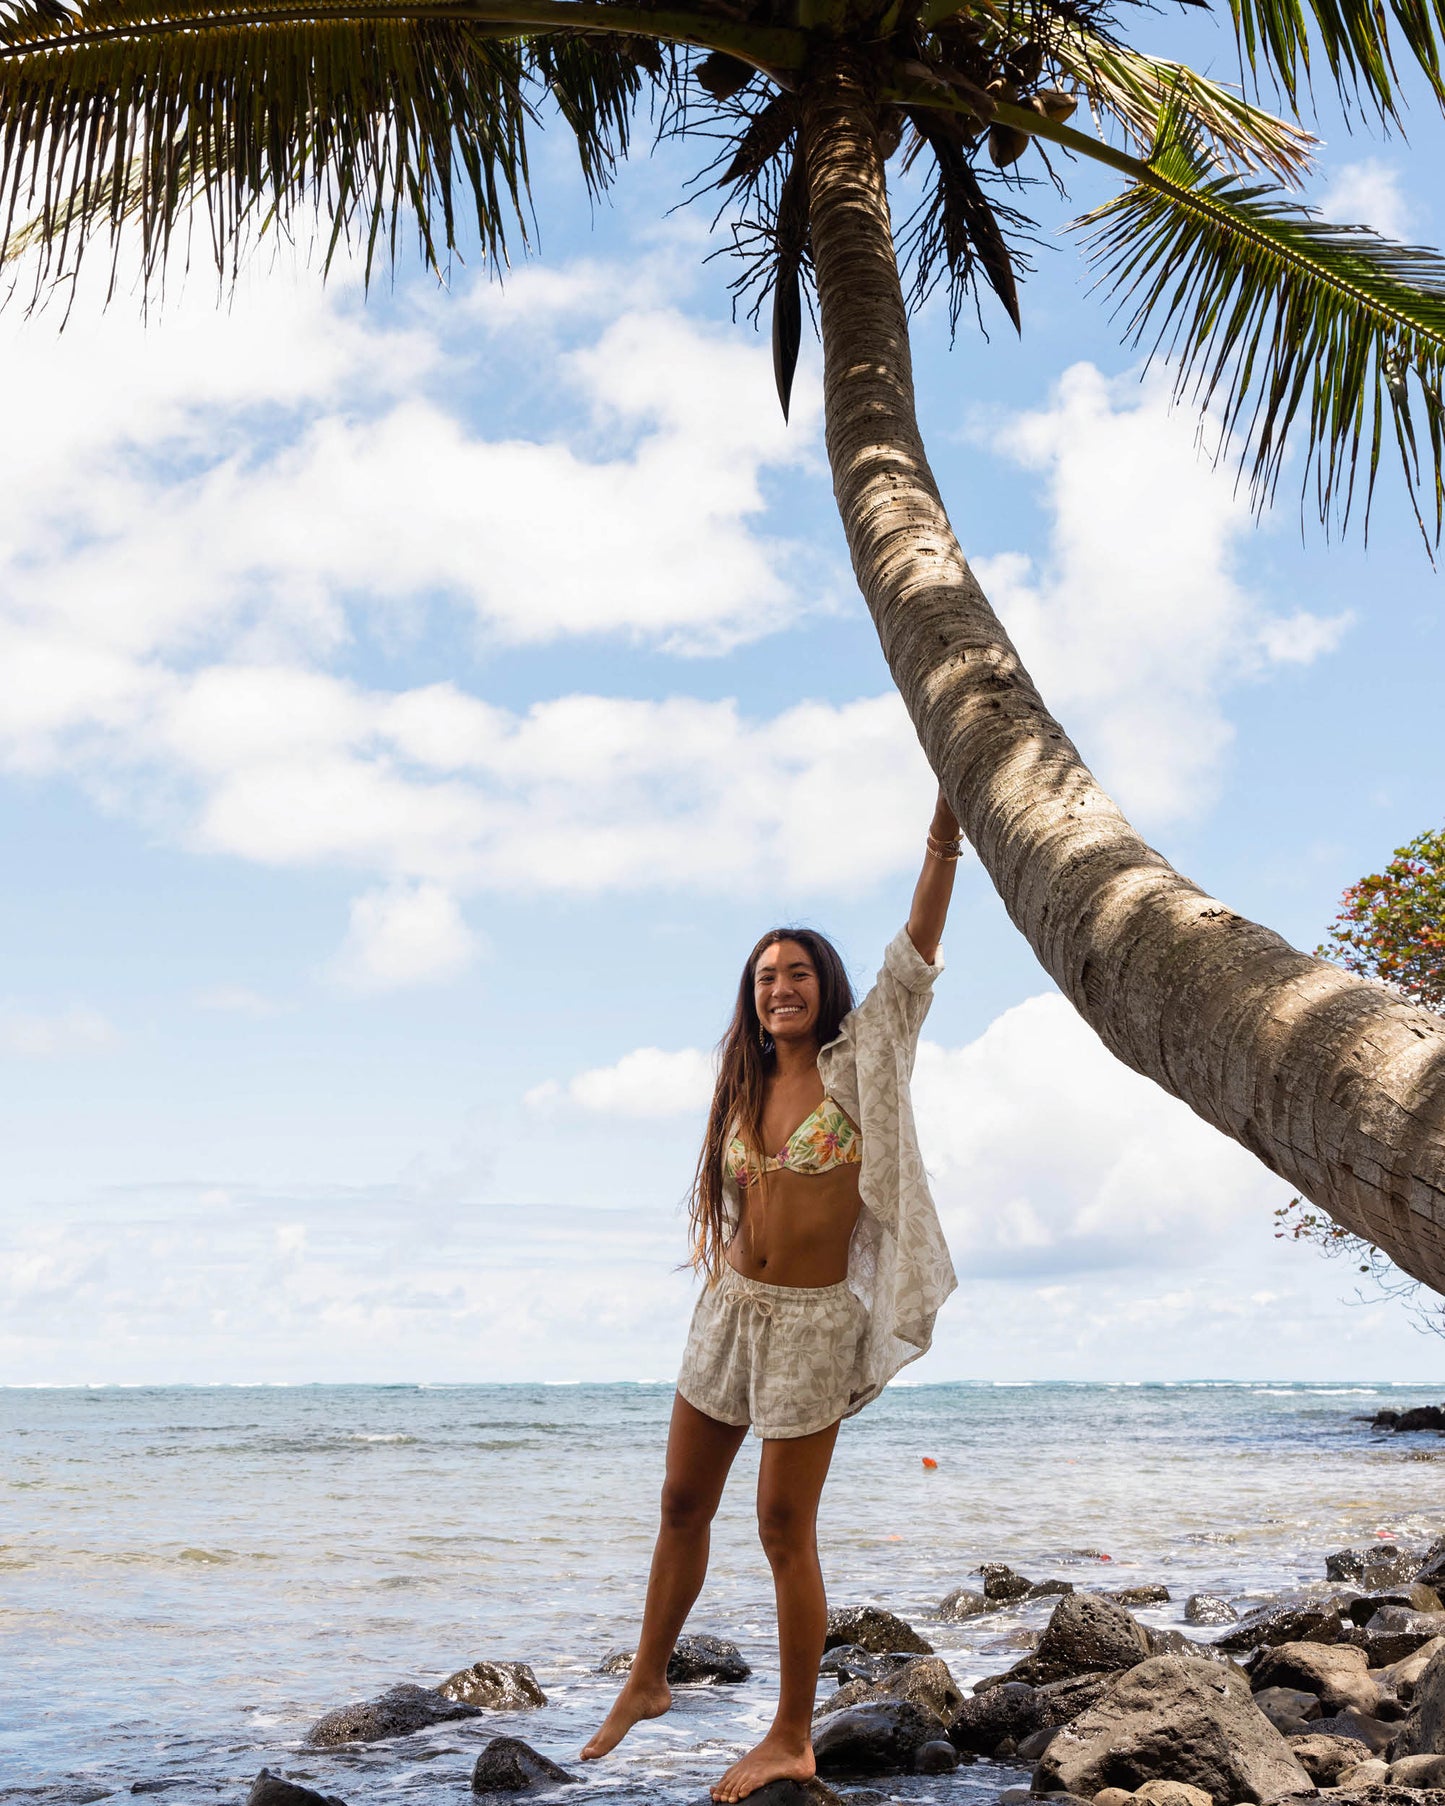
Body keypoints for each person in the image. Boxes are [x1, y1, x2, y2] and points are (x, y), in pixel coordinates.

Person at [581, 788, 961, 1802]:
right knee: (677, 1502)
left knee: (781, 1527)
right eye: (763, 978)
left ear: (822, 986)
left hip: (810, 1324)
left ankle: (791, 1733)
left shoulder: (862, 1057)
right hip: (726, 1314)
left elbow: (913, 955)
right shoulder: (741, 1082)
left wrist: (943, 832)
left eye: (794, 974)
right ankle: (646, 1675)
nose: (778, 988)